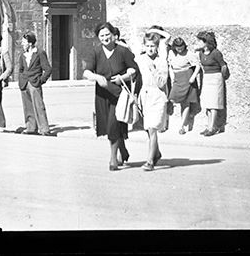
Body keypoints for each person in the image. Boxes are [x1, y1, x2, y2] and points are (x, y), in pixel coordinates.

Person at [83, 21, 139, 170]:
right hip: (102, 94)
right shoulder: (95, 52)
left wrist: (124, 77)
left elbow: (134, 69)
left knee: (114, 124)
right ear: (98, 37)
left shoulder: (122, 51)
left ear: (113, 35)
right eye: (102, 35)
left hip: (119, 94)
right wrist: (97, 77)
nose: (105, 38)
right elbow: (86, 71)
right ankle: (123, 150)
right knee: (109, 125)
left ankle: (113, 159)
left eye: (107, 34)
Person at [137, 31, 171, 171]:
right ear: (144, 46)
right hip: (145, 96)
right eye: (148, 45)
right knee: (148, 129)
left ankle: (150, 161)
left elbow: (162, 83)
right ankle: (156, 153)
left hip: (158, 96)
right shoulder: (140, 59)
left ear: (157, 47)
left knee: (152, 128)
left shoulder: (161, 61)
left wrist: (154, 70)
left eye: (153, 46)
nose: (150, 48)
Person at [16, 32, 55, 136]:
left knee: (39, 106)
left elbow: (47, 69)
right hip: (24, 83)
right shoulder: (22, 55)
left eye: (24, 42)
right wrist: (21, 80)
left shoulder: (40, 53)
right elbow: (20, 69)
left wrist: (40, 81)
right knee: (27, 107)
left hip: (34, 83)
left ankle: (44, 129)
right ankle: (30, 128)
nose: (22, 44)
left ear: (30, 43)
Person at [195, 30, 228, 136]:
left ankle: (213, 127)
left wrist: (222, 76)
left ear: (206, 42)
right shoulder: (201, 53)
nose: (198, 43)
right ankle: (209, 126)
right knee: (208, 104)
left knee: (214, 104)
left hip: (216, 78)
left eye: (200, 41)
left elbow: (223, 65)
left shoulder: (216, 53)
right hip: (207, 78)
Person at [167, 36, 201, 134]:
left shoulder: (189, 54)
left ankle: (182, 126)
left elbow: (197, 66)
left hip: (187, 77)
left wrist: (193, 77)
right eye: (178, 47)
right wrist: (172, 77)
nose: (180, 49)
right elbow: (170, 66)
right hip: (177, 78)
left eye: (181, 47)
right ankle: (171, 121)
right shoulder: (171, 53)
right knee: (171, 98)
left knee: (186, 102)